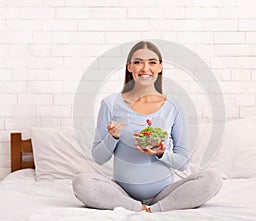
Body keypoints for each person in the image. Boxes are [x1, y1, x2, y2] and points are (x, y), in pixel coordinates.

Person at [72, 41, 223, 213]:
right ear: (129, 67)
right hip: (122, 192)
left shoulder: (174, 107)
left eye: (152, 62)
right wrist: (113, 137)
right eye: (138, 62)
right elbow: (99, 158)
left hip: (164, 193)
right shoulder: (110, 104)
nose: (145, 68)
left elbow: (183, 163)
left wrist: (161, 153)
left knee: (213, 178)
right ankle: (139, 208)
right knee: (81, 182)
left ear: (160, 67)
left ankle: (155, 209)